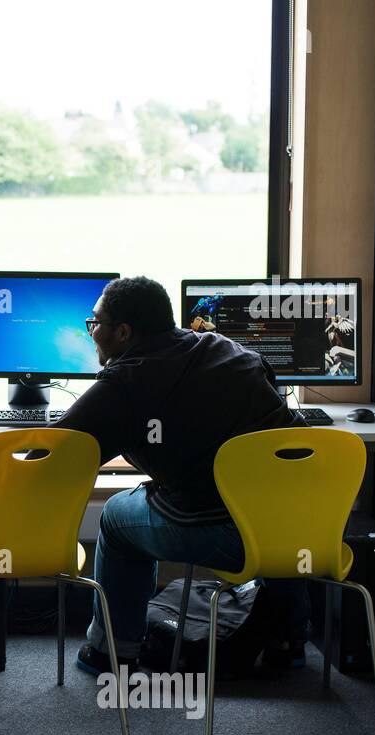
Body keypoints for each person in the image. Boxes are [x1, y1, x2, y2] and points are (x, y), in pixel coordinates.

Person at [50, 275, 310, 675]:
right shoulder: (229, 349)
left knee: (117, 516)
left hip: (228, 537)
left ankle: (111, 652)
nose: (92, 332)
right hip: (296, 527)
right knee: (275, 500)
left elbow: (54, 457)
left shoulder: (125, 382)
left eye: (95, 323)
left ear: (122, 332)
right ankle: (288, 640)